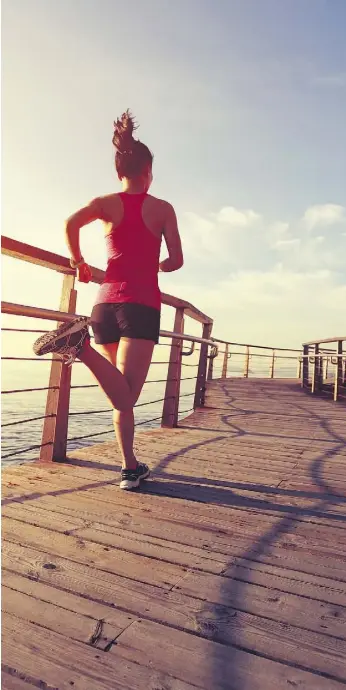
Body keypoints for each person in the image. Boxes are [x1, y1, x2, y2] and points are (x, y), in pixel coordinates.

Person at [33, 110, 183, 490]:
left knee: (119, 390)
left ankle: (130, 467)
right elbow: (177, 260)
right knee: (128, 395)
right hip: (141, 304)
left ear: (121, 171)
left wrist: (78, 261)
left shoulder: (104, 203)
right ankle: (79, 347)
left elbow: (70, 222)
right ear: (148, 170)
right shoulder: (163, 209)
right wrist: (160, 266)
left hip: (104, 305)